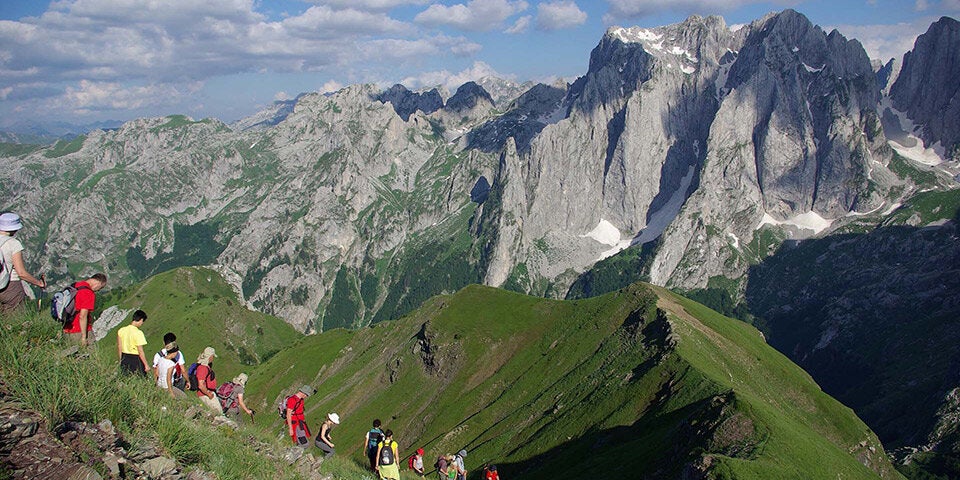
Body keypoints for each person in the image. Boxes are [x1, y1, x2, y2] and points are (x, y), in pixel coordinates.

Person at [0, 213, 46, 312]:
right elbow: (21, 273)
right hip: (10, 286)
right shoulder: (13, 244)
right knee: (15, 317)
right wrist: (39, 283)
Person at [63, 273, 107, 346]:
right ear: (99, 283)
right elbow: (82, 316)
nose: (98, 290)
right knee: (90, 352)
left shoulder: (75, 286)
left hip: (67, 329)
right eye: (101, 288)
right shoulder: (88, 293)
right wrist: (84, 337)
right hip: (79, 330)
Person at [117, 309, 150, 375]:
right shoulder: (138, 333)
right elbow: (140, 351)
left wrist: (121, 360)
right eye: (142, 321)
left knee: (126, 377)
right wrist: (146, 365)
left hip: (124, 357)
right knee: (140, 377)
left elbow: (119, 346)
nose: (142, 323)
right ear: (141, 320)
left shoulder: (121, 330)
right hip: (135, 359)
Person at [194, 347, 220, 414]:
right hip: (206, 394)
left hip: (206, 393)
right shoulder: (203, 368)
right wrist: (209, 394)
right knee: (218, 412)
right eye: (213, 356)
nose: (213, 358)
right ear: (210, 357)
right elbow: (201, 385)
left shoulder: (203, 366)